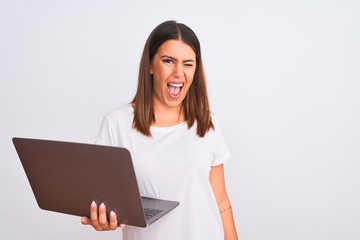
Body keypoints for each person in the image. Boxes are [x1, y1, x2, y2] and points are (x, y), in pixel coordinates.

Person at [81, 20, 238, 240]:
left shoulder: (207, 123)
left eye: (188, 64)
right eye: (168, 61)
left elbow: (221, 201)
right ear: (150, 65)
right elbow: (101, 201)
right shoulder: (117, 123)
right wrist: (103, 218)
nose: (179, 73)